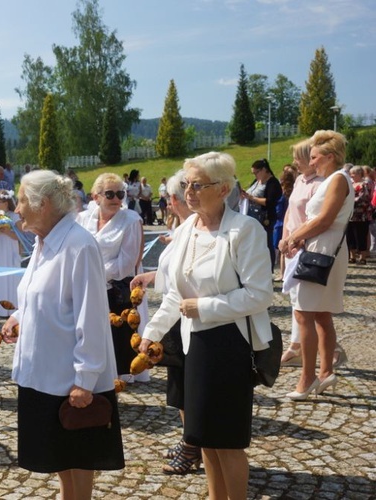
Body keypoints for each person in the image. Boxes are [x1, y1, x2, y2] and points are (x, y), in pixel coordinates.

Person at [140, 151, 274, 499]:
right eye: (187, 184)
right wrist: (151, 332)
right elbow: (174, 294)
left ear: (224, 188)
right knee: (204, 439)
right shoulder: (188, 228)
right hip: (194, 346)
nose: (190, 192)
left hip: (230, 345)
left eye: (198, 185)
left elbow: (260, 295)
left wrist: (204, 307)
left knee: (227, 443)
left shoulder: (245, 230)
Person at [1, 170, 124, 499]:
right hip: (42, 375)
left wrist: (85, 379)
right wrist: (17, 316)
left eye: (22, 200)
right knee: (59, 458)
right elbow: (39, 293)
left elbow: (93, 316)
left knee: (77, 457)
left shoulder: (78, 246)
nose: (17, 209)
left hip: (69, 379)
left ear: (42, 205)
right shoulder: (44, 241)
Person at [131, 169, 197, 474]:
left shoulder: (190, 230)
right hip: (175, 315)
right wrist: (149, 276)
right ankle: (190, 439)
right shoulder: (183, 228)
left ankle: (193, 445)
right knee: (179, 388)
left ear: (173, 199)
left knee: (185, 388)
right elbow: (172, 275)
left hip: (186, 316)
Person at [280, 130, 354, 400]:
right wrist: (299, 239)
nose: (310, 162)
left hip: (323, 251)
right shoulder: (334, 179)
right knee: (321, 314)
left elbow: (324, 220)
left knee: (304, 313)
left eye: (314, 157)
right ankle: (324, 373)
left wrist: (294, 237)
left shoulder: (337, 179)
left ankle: (308, 377)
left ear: (329, 157)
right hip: (323, 249)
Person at [76, 174, 143, 383]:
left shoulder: (131, 220)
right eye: (110, 194)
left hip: (115, 287)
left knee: (116, 338)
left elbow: (127, 263)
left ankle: (113, 380)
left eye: (120, 194)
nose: (116, 199)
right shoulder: (83, 218)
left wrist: (94, 273)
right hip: (85, 286)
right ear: (96, 197)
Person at [241, 159, 282, 270]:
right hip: (252, 215)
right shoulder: (257, 181)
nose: (255, 175)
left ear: (264, 170)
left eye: (256, 172)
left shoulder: (273, 182)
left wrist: (252, 198)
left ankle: (269, 269)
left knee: (266, 244)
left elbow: (270, 201)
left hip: (265, 218)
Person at [0, 190, 22, 317]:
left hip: (9, 249)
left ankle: (11, 307)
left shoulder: (14, 216)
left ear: (6, 203)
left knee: (9, 275)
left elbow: (20, 236)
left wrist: (6, 231)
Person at [273, 167, 296, 279]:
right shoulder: (293, 191)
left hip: (281, 223)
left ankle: (283, 274)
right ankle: (285, 274)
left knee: (282, 251)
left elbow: (278, 210)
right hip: (289, 222)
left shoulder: (283, 194)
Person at [346, 165, 371, 265]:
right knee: (350, 236)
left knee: (360, 236)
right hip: (350, 215)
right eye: (351, 173)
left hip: (361, 216)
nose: (351, 175)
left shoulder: (364, 184)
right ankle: (352, 256)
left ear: (360, 174)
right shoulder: (350, 184)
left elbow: (363, 197)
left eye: (354, 173)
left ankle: (362, 257)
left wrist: (348, 201)